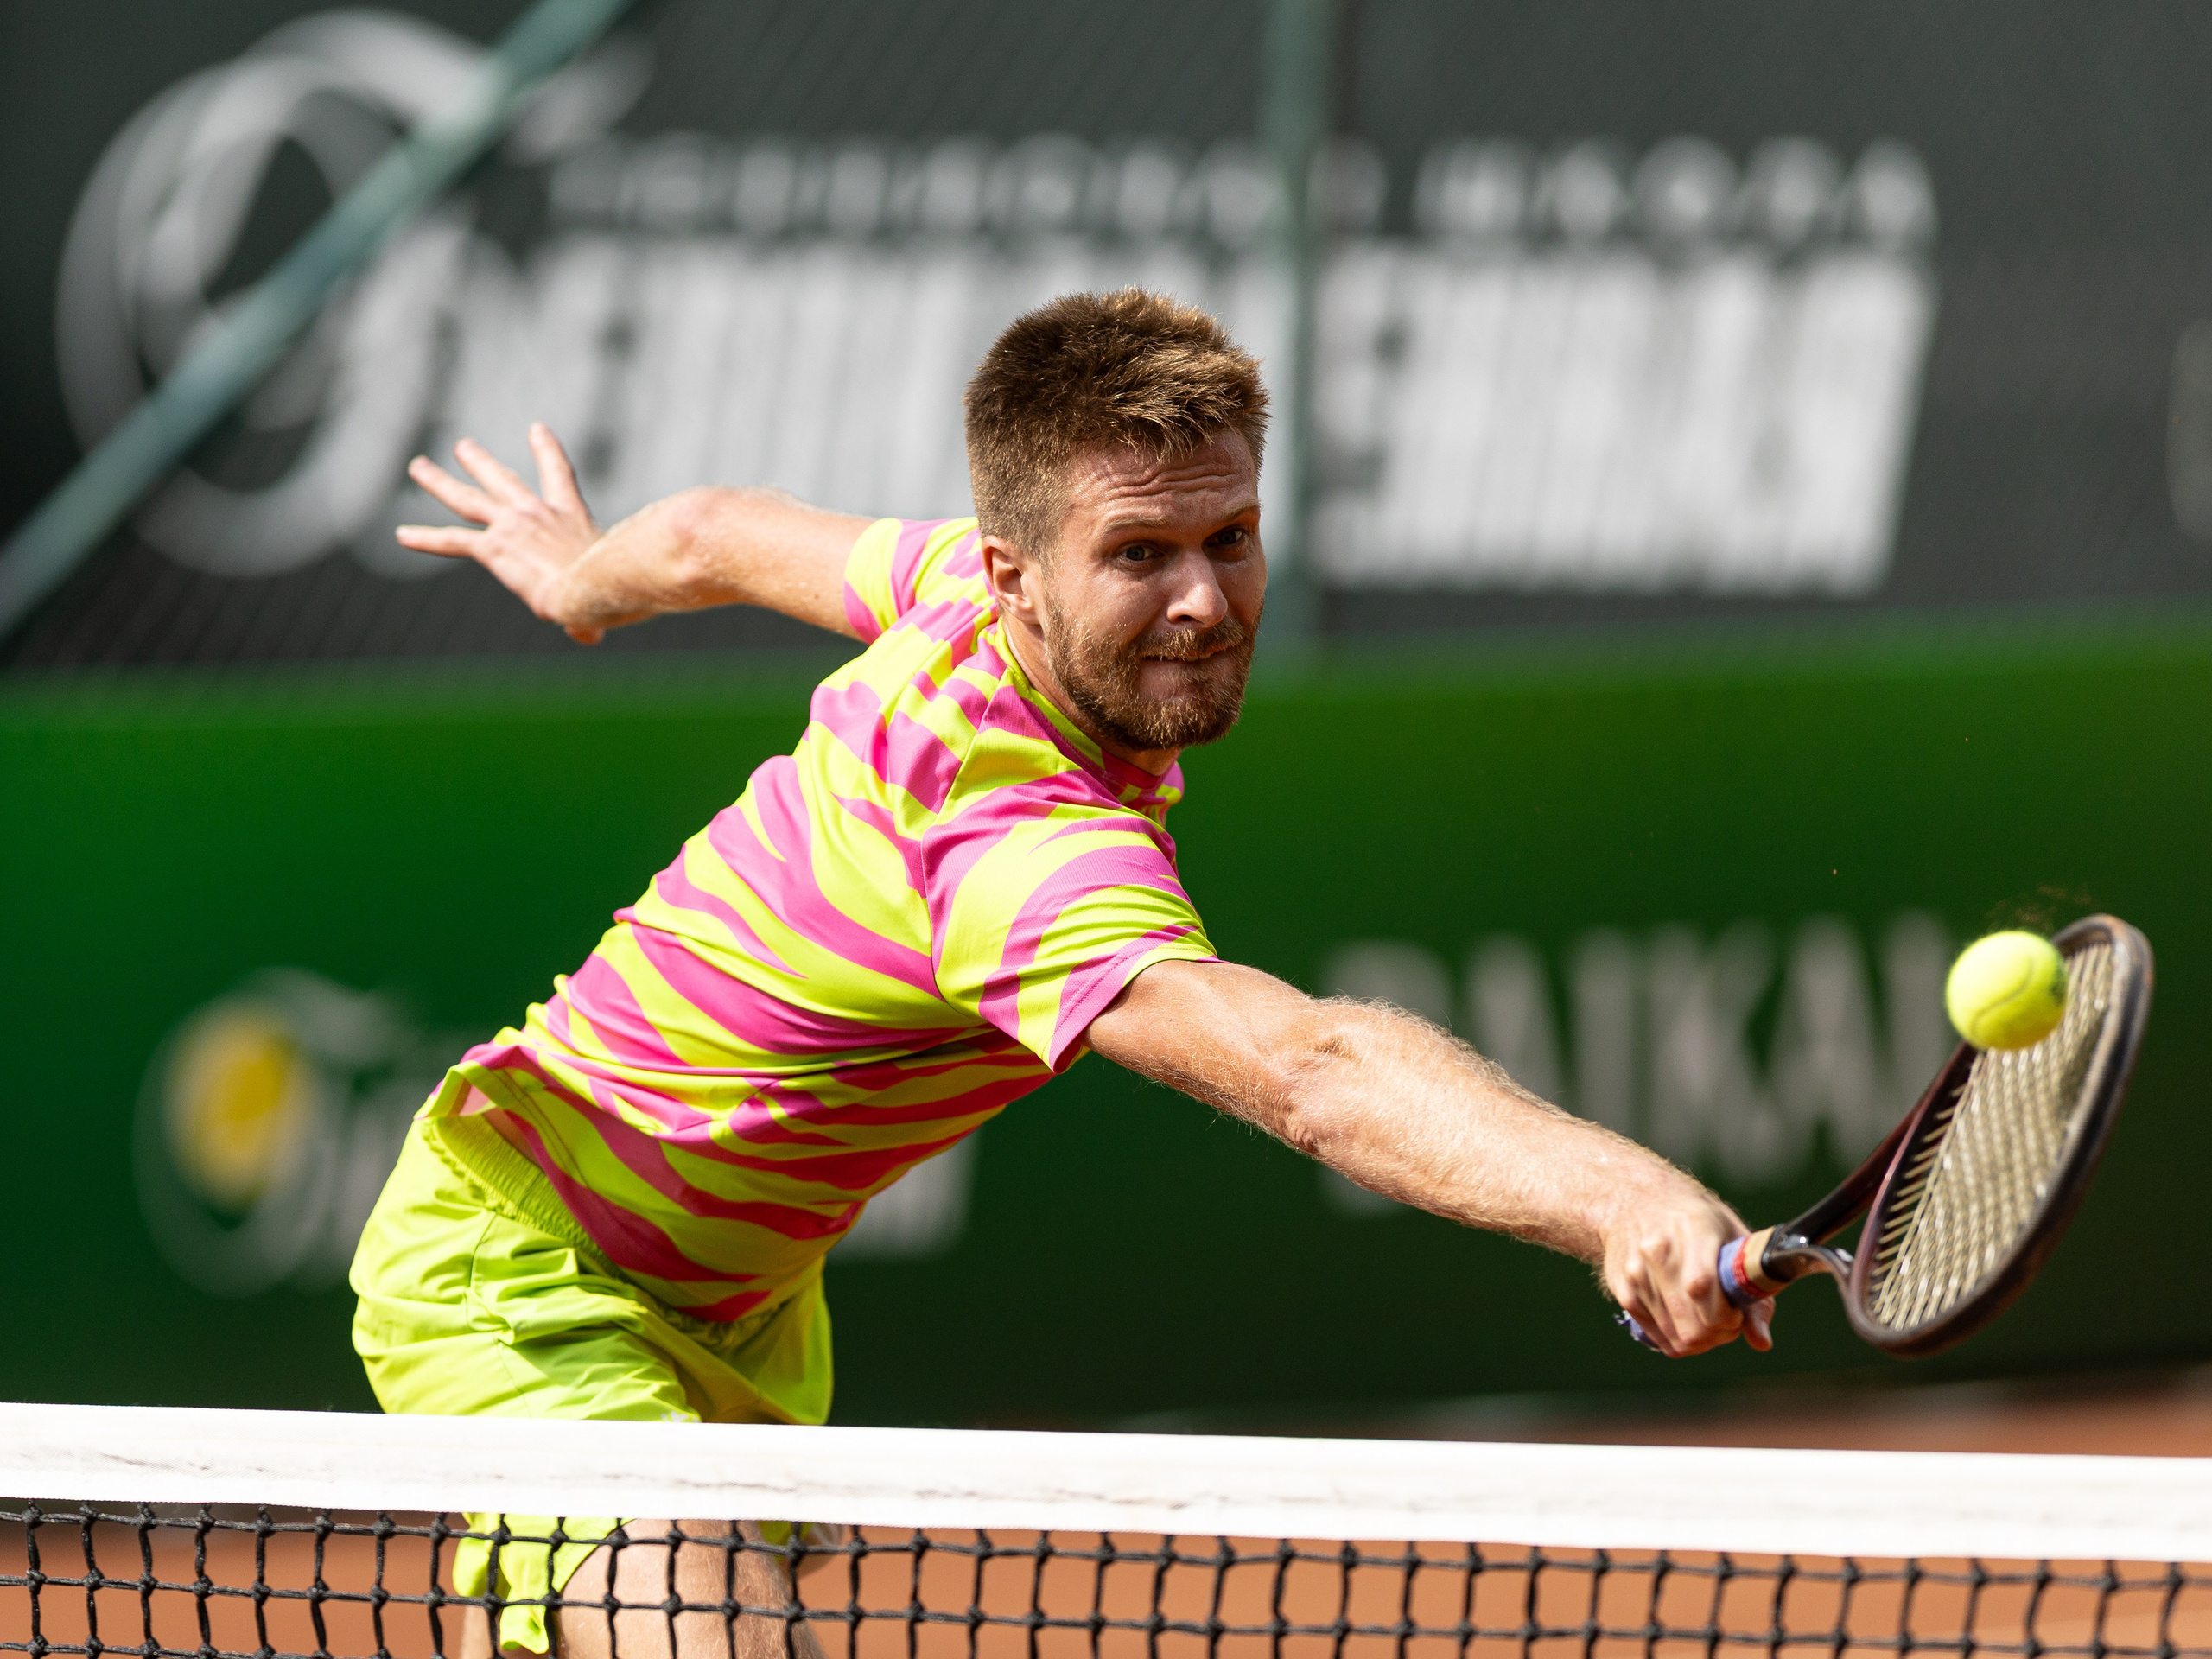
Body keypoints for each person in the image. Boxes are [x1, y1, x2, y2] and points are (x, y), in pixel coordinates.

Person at [349, 289, 1771, 1659]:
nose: (1206, 602)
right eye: (1141, 556)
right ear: (1016, 571)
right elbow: (1311, 1076)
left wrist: (577, 583)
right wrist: (1617, 1196)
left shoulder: (949, 583)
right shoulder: (1013, 845)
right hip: (525, 1270)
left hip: (744, 1304)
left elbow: (715, 534)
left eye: (1233, 535)